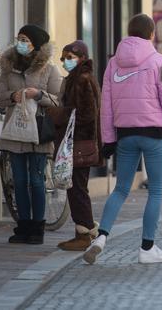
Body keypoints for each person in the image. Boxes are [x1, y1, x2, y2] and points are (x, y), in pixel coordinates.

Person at [84, 14, 162, 264]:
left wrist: (109, 139)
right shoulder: (159, 61)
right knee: (156, 190)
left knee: (121, 188)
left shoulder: (114, 63)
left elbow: (107, 105)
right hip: (154, 132)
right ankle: (147, 249)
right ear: (151, 34)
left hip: (125, 133)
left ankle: (101, 237)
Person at [0, 24, 62, 244]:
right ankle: (23, 226)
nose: (21, 43)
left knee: (36, 180)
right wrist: (13, 95)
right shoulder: (9, 68)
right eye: (19, 39)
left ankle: (37, 228)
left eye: (25, 40)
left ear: (36, 45)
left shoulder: (49, 70)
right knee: (19, 181)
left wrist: (38, 94)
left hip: (39, 133)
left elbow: (58, 100)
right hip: (15, 133)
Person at [51, 40, 103, 251]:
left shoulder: (81, 80)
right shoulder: (77, 78)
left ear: (81, 58)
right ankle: (84, 230)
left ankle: (85, 233)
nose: (65, 62)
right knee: (76, 188)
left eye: (70, 58)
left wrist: (57, 115)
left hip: (80, 143)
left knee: (77, 189)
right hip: (77, 142)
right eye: (63, 58)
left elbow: (87, 114)